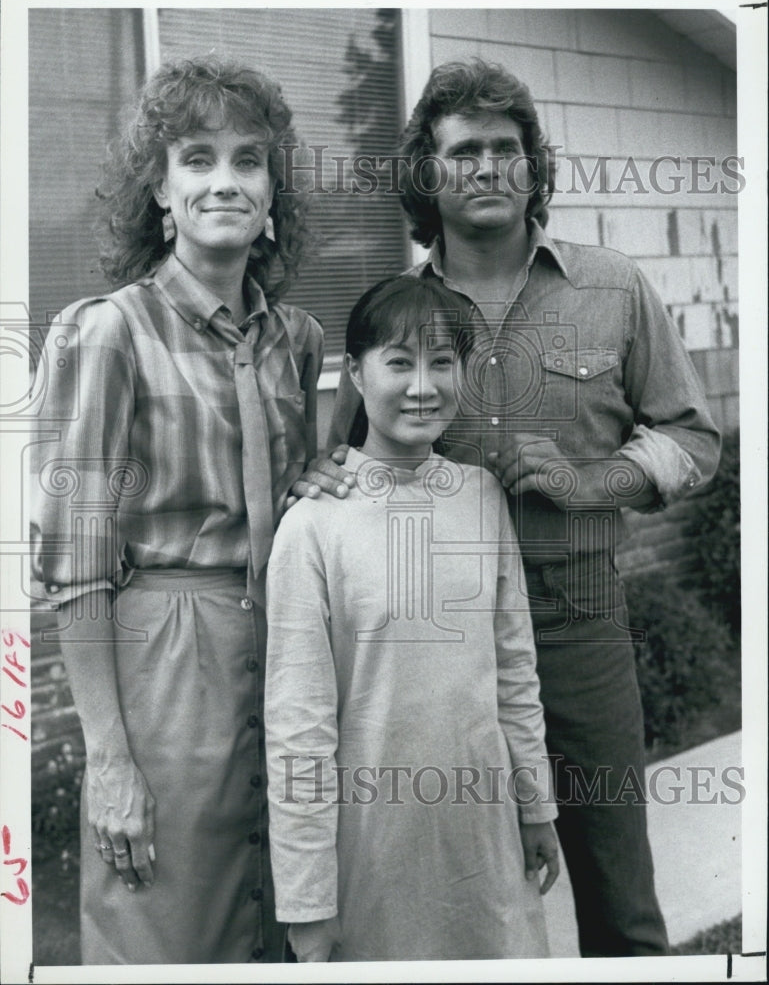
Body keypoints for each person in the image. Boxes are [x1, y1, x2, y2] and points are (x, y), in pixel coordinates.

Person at [303, 60, 722, 958]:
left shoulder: (610, 286)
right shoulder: (397, 311)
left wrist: (591, 480)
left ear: (533, 165)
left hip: (578, 623)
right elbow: (347, 462)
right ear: (428, 174)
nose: (486, 167)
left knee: (619, 898)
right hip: (433, 642)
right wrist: (317, 478)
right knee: (451, 899)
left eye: (505, 148)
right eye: (462, 151)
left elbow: (693, 439)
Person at [30, 56, 323, 964]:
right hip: (164, 656)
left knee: (286, 911)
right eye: (197, 160)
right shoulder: (109, 332)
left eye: (248, 161)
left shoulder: (295, 340)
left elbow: (296, 493)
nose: (224, 182)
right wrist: (110, 758)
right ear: (160, 189)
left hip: (286, 650)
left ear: (274, 190)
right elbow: (76, 565)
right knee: (168, 924)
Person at [265, 275, 559, 962]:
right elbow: (296, 727)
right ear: (357, 375)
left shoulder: (481, 497)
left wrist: (536, 805)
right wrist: (308, 900)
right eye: (398, 363)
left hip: (483, 836)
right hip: (372, 848)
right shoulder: (311, 527)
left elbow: (514, 670)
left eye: (441, 363)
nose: (421, 386)